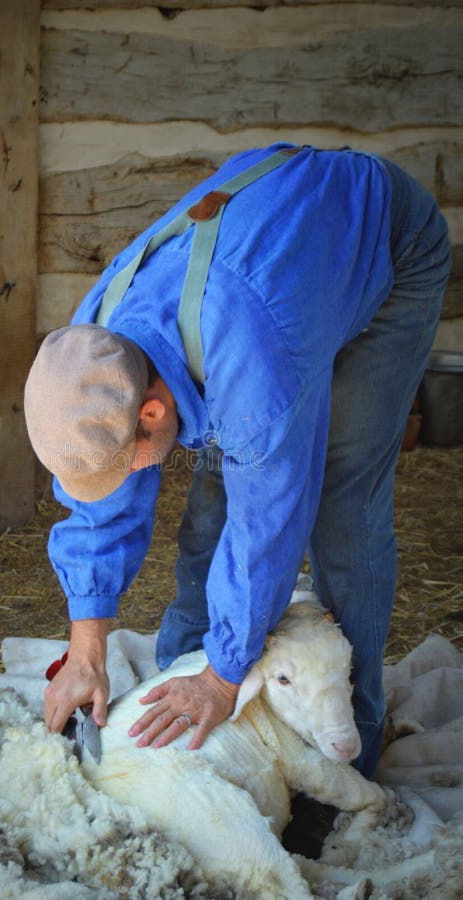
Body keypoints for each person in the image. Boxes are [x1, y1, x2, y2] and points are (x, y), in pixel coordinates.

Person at [24, 142, 450, 779]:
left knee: (341, 501)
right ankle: (184, 676)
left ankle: (349, 738)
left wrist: (227, 679)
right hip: (275, 279)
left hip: (386, 242)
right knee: (214, 497)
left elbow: (267, 527)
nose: (129, 479)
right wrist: (88, 646)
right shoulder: (90, 346)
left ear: (150, 413)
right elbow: (100, 503)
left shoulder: (253, 374)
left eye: (130, 461)